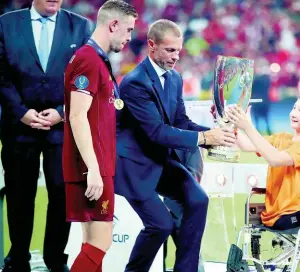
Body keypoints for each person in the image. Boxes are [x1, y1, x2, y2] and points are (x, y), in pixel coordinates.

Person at [115, 19, 236, 272]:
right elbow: (157, 132)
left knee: (198, 200)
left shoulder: (174, 78)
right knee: (160, 225)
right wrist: (205, 139)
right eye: (170, 50)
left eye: (178, 51)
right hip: (135, 166)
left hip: (160, 161)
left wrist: (216, 133)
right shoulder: (134, 82)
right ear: (151, 45)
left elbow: (181, 121)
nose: (176, 57)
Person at [0, 0, 92, 270]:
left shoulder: (80, 26)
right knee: (19, 193)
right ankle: (18, 257)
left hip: (63, 128)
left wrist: (63, 111)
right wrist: (21, 112)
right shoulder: (7, 24)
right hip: (19, 127)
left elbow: (87, 75)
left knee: (62, 194)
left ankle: (56, 259)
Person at [62, 1, 137, 271]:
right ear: (113, 25)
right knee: (100, 242)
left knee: (90, 241)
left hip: (93, 163)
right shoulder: (89, 60)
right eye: (127, 30)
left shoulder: (93, 59)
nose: (129, 38)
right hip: (91, 166)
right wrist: (93, 169)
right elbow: (77, 116)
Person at [226, 92, 300, 230]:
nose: (294, 113)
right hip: (269, 215)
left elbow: (275, 159)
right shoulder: (281, 138)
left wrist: (247, 126)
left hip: (293, 214)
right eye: (294, 108)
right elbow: (246, 145)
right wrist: (228, 120)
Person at [163, 148, 205, 272]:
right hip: (153, 207)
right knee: (153, 257)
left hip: (181, 209)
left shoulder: (191, 137)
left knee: (190, 260)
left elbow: (194, 176)